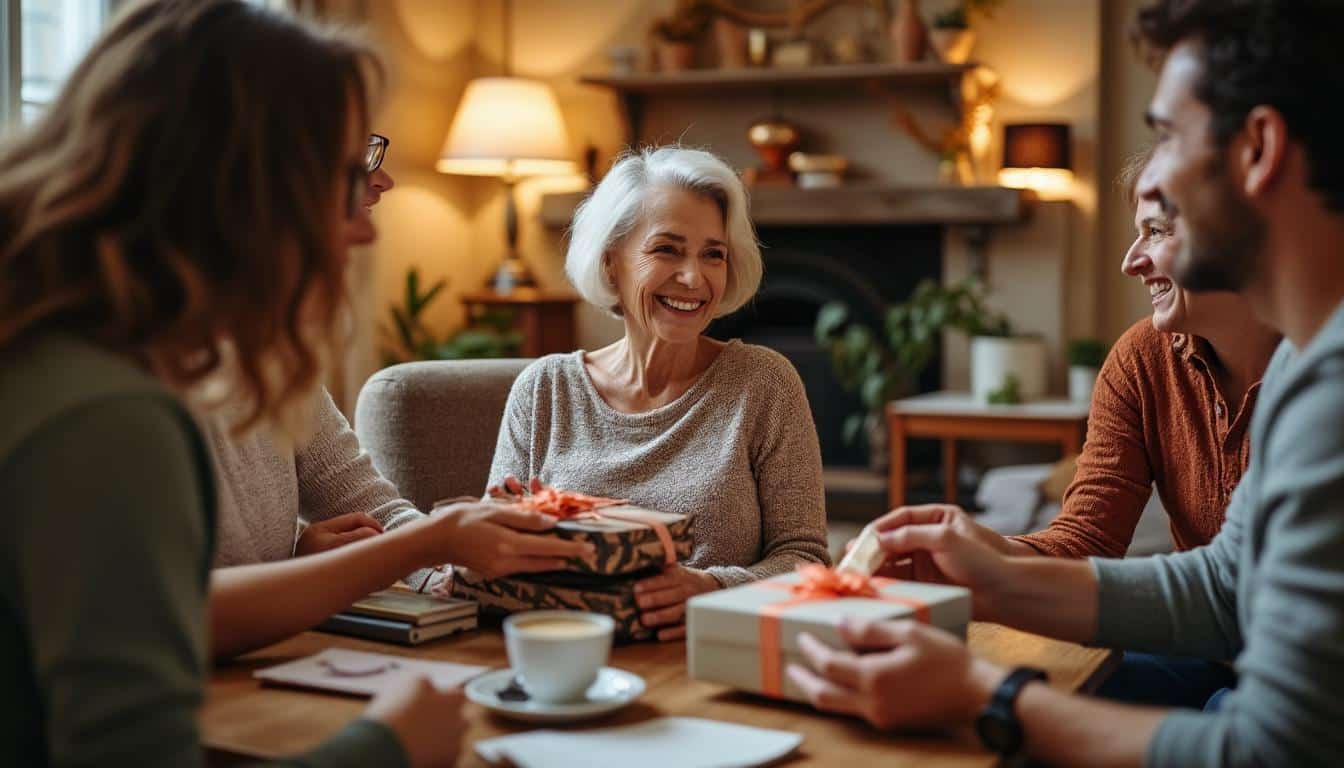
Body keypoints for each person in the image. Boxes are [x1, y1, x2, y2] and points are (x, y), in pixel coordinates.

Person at [791, 1, 1344, 765]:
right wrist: (991, 580)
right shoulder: (1306, 359)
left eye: (1168, 137)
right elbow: (1223, 586)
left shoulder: (1332, 385)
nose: (1157, 180)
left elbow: (1273, 749)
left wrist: (992, 701)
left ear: (1257, 150)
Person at [0, 1, 465, 764]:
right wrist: (388, 746)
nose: (366, 226)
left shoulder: (56, 354)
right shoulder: (106, 417)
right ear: (242, 189)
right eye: (349, 177)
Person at [877, 147, 1279, 708]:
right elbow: (1087, 539)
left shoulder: (1320, 369)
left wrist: (998, 582)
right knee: (1046, 677)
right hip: (1208, 647)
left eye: (1155, 232)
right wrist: (988, 553)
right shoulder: (1143, 358)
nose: (1130, 261)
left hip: (1305, 669)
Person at [202, 130, 590, 660]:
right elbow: (180, 616)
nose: (382, 182)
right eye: (356, 156)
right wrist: (430, 544)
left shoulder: (273, 355)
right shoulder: (130, 368)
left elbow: (375, 510)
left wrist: (452, 567)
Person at [487, 146, 831, 641]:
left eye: (713, 254)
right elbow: (488, 552)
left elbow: (806, 559)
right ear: (611, 264)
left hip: (710, 657)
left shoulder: (764, 384)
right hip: (565, 648)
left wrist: (712, 586)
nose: (694, 278)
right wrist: (508, 524)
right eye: (667, 249)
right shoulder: (545, 390)